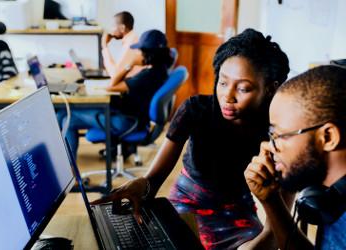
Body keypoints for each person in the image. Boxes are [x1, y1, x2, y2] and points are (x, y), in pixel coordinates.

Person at [92, 28, 290, 250]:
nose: (228, 96)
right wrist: (142, 185)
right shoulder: (196, 110)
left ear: (271, 89)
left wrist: (262, 243)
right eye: (223, 83)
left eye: (243, 88)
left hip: (238, 217)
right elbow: (154, 180)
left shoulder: (281, 134)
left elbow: (276, 229)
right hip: (186, 207)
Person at [243, 65, 346, 250]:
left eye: (280, 135)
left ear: (328, 137)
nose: (268, 147)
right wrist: (271, 200)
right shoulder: (331, 195)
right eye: (270, 134)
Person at [60, 29, 173, 156]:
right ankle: (64, 161)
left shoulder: (149, 75)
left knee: (67, 119)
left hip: (126, 122)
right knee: (63, 113)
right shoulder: (159, 70)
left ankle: (70, 171)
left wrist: (130, 64)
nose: (137, 52)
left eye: (140, 50)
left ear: (148, 53)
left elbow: (112, 86)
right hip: (129, 117)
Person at [102, 11, 142, 78]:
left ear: (122, 28)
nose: (111, 31)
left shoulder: (130, 44)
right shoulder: (131, 39)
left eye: (113, 26)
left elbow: (115, 75)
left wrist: (104, 46)